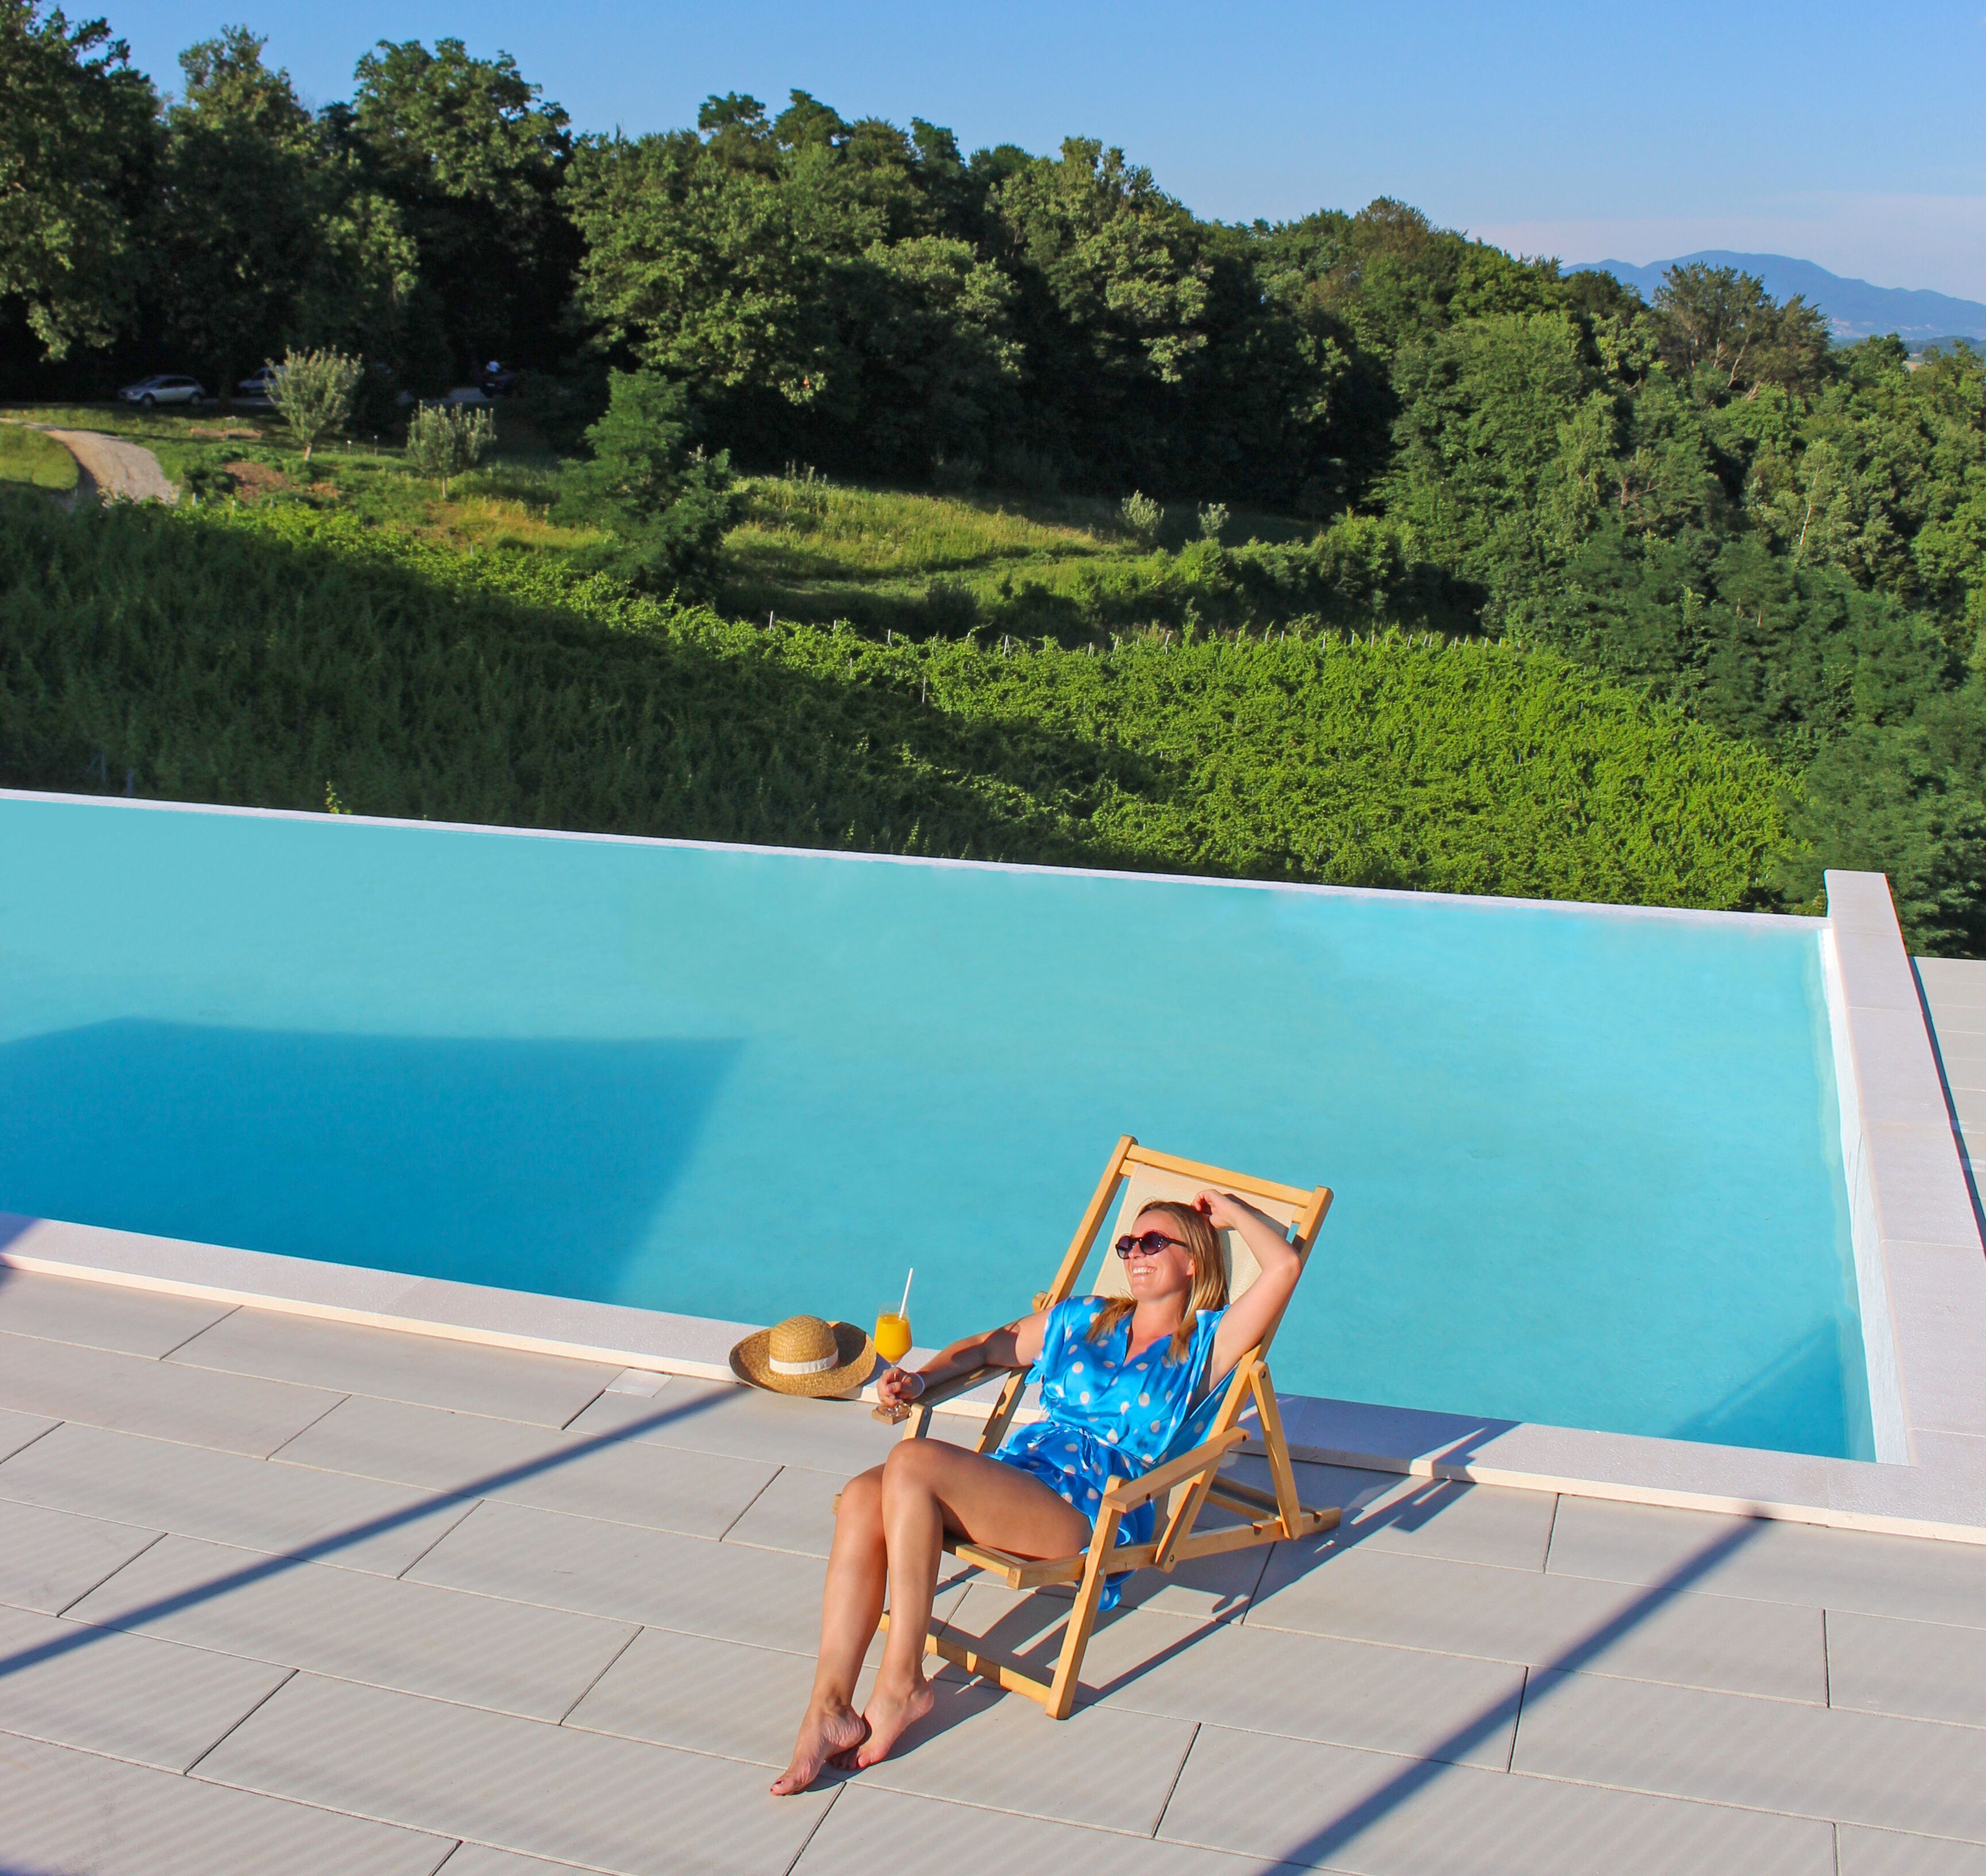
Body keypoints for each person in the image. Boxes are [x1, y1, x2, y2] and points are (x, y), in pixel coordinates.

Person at [771, 1187, 1302, 1795]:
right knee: (865, 1497)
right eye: (1128, 1242)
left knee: (912, 1462)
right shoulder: (1086, 1317)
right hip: (1020, 1475)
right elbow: (995, 1345)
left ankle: (902, 1683)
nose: (1133, 1253)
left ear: (1194, 1261)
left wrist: (1231, 1214)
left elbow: (1284, 1266)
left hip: (1089, 1511)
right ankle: (830, 1708)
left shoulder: (1207, 1344)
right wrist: (921, 1378)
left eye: (1153, 1243)